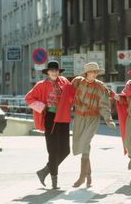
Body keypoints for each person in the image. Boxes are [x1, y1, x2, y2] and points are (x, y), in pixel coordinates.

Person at [25, 60, 75, 189]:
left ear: (59, 72)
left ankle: (45, 171)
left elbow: (72, 94)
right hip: (50, 117)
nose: (54, 72)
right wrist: (42, 107)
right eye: (52, 70)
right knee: (53, 150)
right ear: (47, 72)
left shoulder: (64, 82)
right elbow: (28, 98)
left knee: (65, 150)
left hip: (63, 117)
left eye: (56, 70)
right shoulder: (41, 85)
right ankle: (54, 181)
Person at [71, 62, 116, 188]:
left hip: (92, 118)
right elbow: (67, 94)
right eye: (93, 72)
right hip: (79, 118)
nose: (95, 74)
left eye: (96, 72)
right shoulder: (77, 82)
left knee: (85, 143)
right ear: (86, 73)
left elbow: (104, 105)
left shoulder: (101, 87)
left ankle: (81, 177)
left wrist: (108, 119)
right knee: (81, 145)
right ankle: (88, 174)